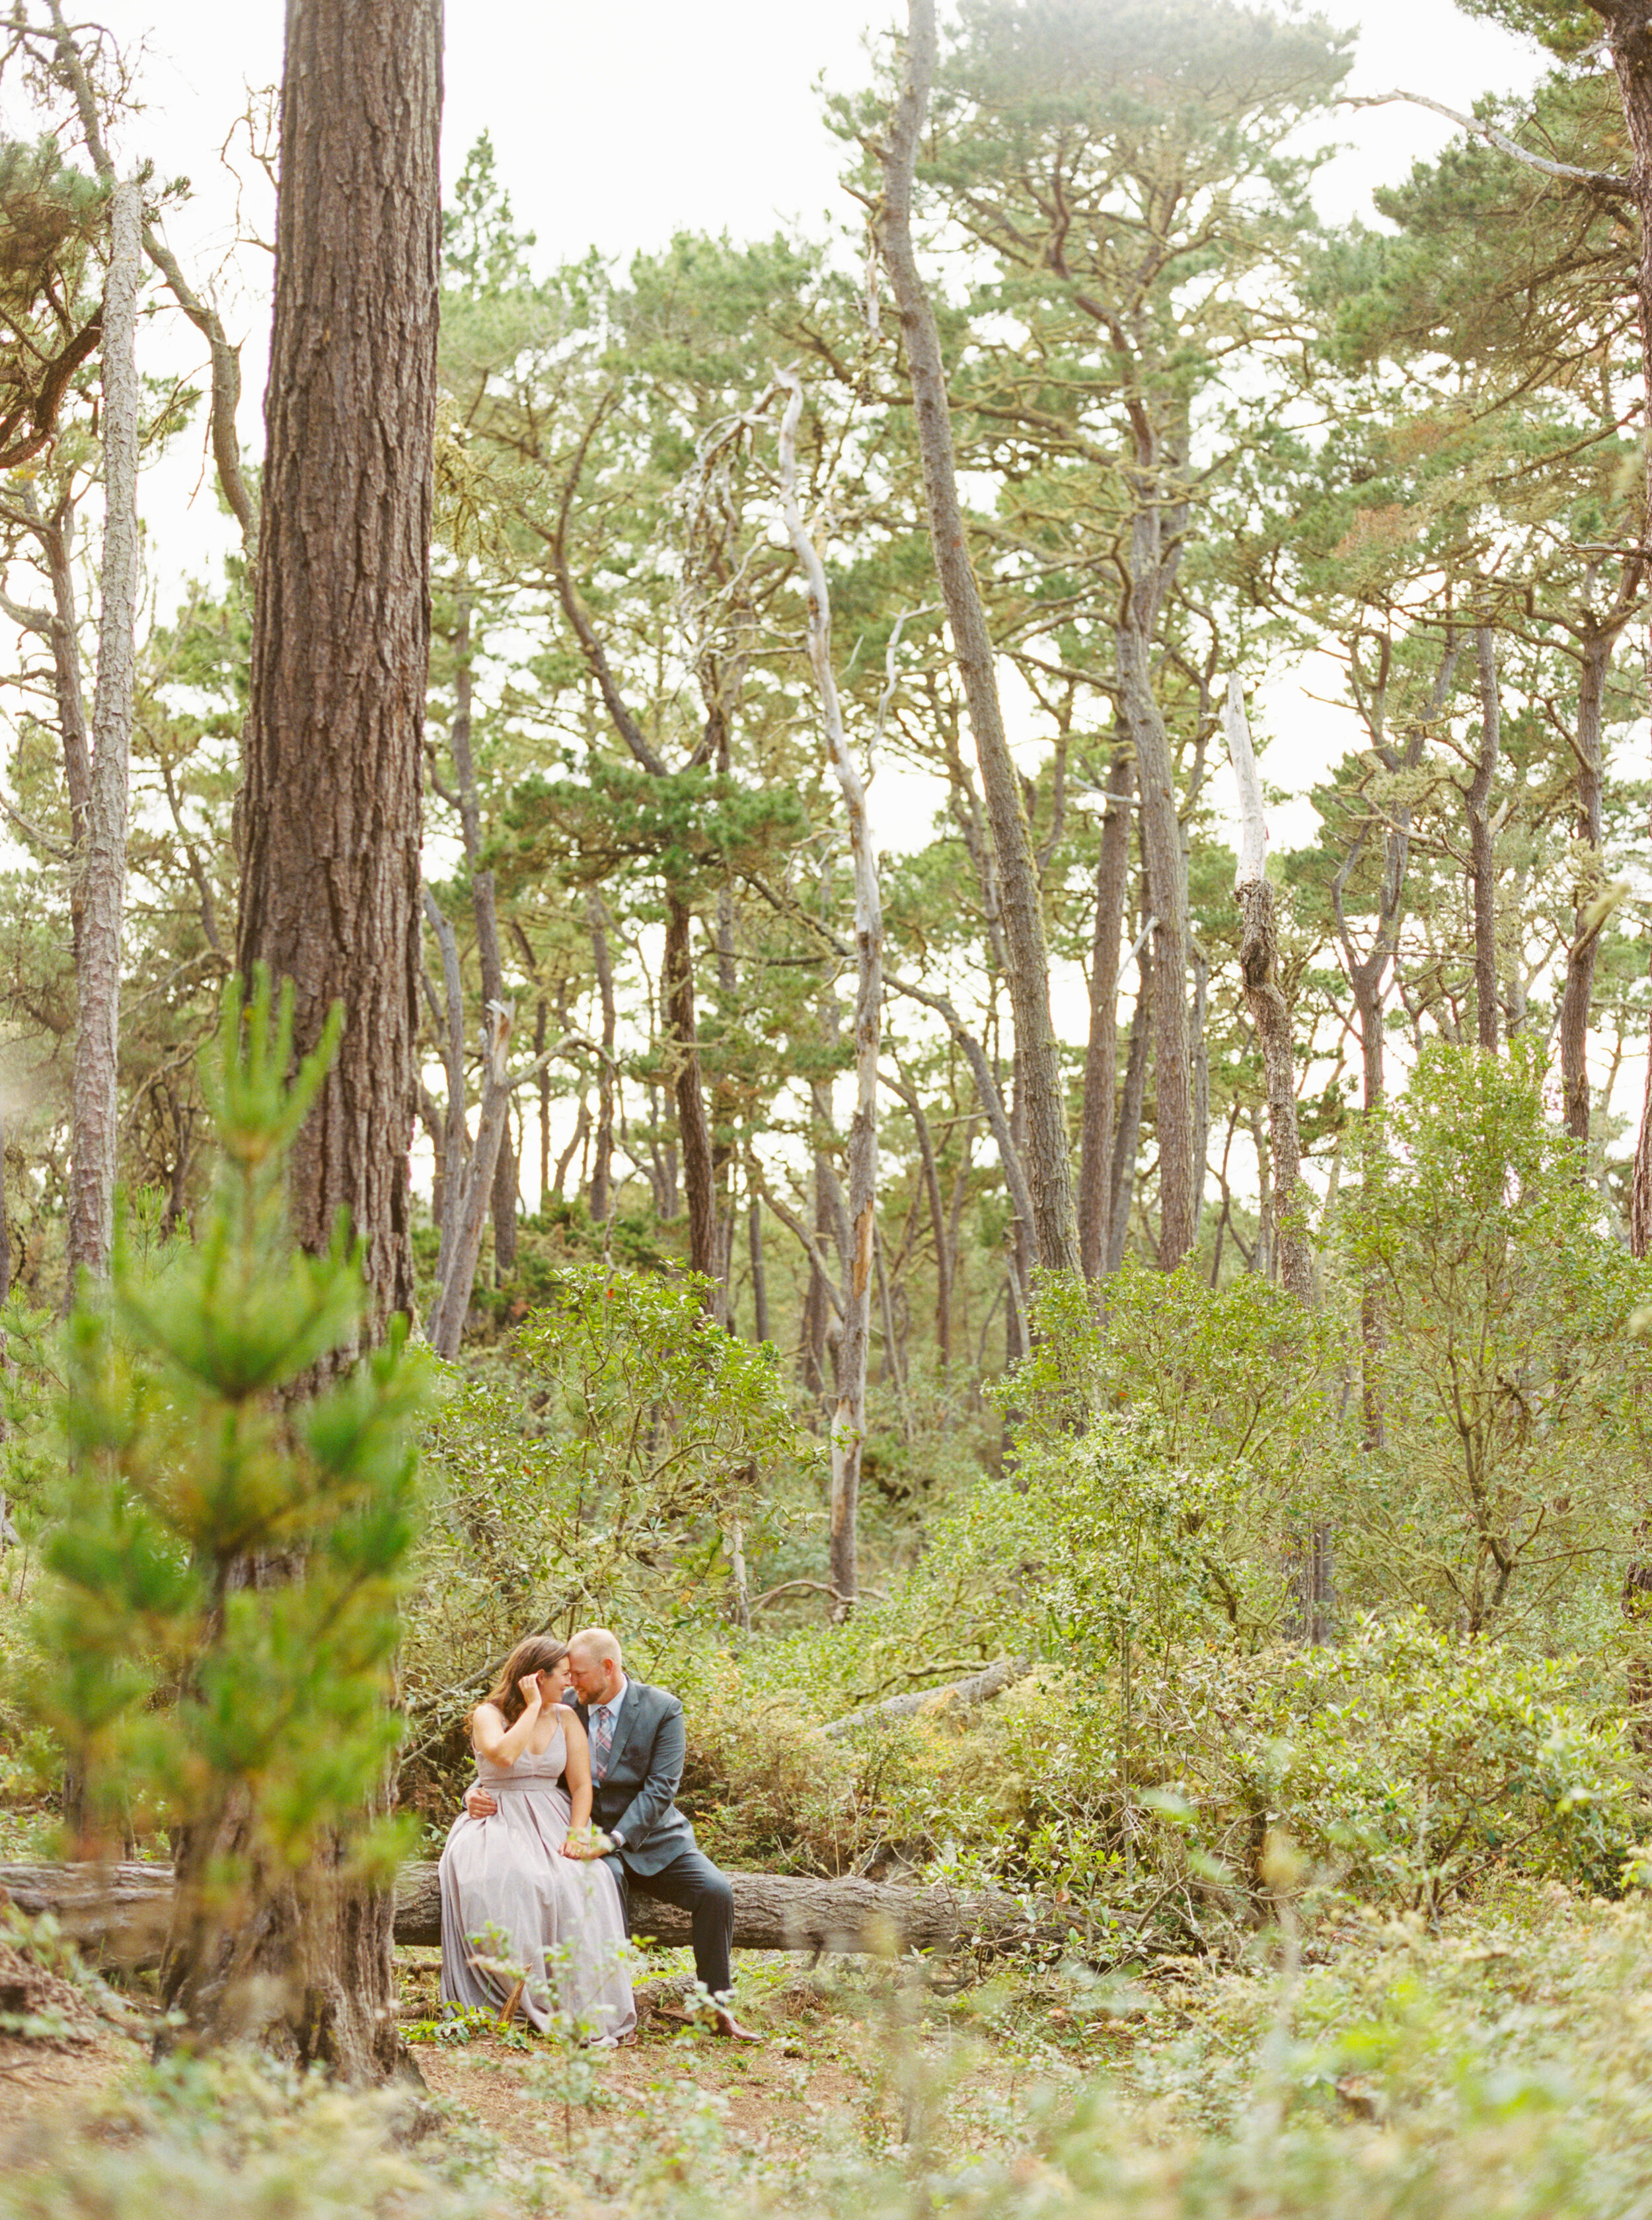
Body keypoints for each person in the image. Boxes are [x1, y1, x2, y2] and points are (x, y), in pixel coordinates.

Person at [465, 1626, 759, 2041]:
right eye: (566, 1673)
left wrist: (615, 1839)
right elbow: (510, 1764)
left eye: (579, 1674)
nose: (572, 1681)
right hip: (580, 1835)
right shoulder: (560, 1703)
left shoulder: (662, 1709)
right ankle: (606, 2000)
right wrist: (473, 1792)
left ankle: (715, 2009)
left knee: (716, 1892)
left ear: (608, 1668)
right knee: (602, 1884)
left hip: (654, 1837)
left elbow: (661, 1788)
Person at [439, 1633, 636, 2044]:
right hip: (499, 1821)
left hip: (552, 1819)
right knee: (516, 1881)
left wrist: (577, 1834)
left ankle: (575, 1998)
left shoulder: (566, 1717)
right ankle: (512, 1996)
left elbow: (582, 1787)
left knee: (585, 1881)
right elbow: (505, 1756)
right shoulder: (488, 1714)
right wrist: (530, 1707)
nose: (568, 1684)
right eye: (562, 1676)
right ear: (536, 1677)